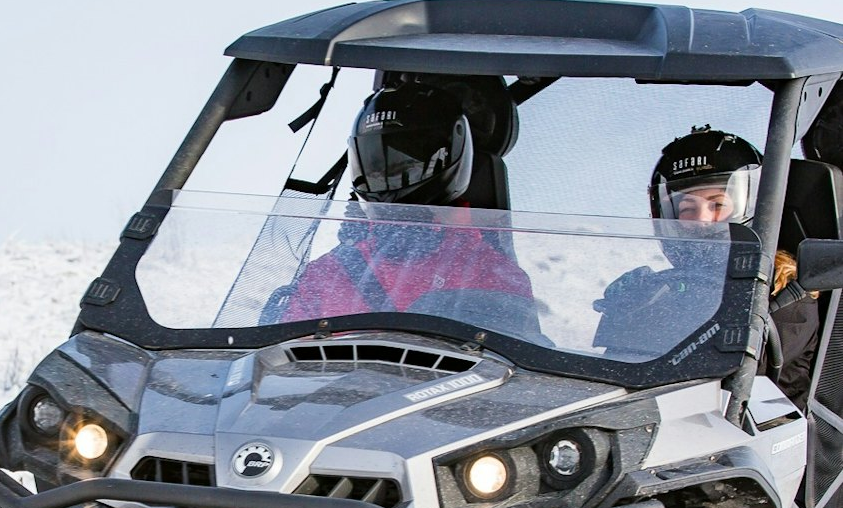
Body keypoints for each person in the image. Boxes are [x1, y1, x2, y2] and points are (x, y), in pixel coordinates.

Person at [280, 83, 535, 327]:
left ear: (448, 158)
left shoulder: (488, 272)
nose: (385, 177)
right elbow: (279, 357)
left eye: (405, 164)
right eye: (375, 166)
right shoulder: (329, 272)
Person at [594, 126, 818, 404]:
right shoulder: (665, 287)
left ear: (754, 206)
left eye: (717, 204)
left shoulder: (784, 291)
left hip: (752, 434)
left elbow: (727, 368)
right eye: (687, 208)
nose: (701, 220)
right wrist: (627, 308)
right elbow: (613, 374)